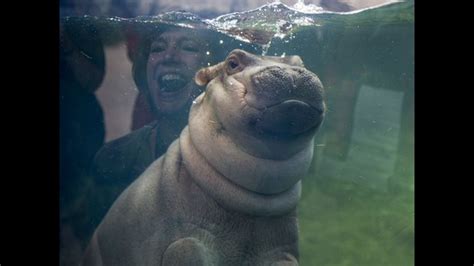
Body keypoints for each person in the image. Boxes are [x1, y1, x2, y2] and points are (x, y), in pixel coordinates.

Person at [88, 23, 222, 230]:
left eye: (188, 47)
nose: (169, 57)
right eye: (158, 48)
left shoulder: (238, 162)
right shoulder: (113, 159)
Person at [59, 17, 106, 266]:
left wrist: (66, 44)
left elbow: (93, 78)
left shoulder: (77, 20)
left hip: (77, 132)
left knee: (82, 213)